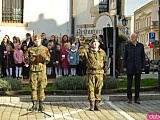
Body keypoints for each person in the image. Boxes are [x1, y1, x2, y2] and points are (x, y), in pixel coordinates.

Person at [78, 38, 108, 111]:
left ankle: (97, 104)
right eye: (93, 43)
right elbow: (80, 54)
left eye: (96, 43)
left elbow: (106, 63)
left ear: (98, 44)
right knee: (91, 89)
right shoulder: (88, 51)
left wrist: (105, 72)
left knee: (98, 88)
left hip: (100, 72)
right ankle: (92, 104)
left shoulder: (102, 52)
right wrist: (84, 46)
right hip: (91, 72)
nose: (95, 44)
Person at [24, 34, 50, 112]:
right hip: (33, 71)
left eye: (38, 40)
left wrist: (43, 57)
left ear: (40, 40)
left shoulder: (45, 49)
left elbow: (48, 60)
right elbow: (26, 59)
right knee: (33, 87)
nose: (36, 42)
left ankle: (41, 104)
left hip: (42, 70)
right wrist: (31, 59)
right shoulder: (30, 49)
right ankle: (34, 104)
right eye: (35, 40)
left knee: (41, 87)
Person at [123, 33, 145, 104]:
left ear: (136, 38)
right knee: (129, 84)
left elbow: (142, 57)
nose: (132, 38)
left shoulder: (140, 46)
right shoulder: (127, 46)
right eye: (131, 37)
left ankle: (137, 98)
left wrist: (143, 66)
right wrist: (124, 66)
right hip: (130, 67)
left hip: (138, 67)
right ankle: (129, 98)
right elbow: (125, 57)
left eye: (133, 37)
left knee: (137, 84)